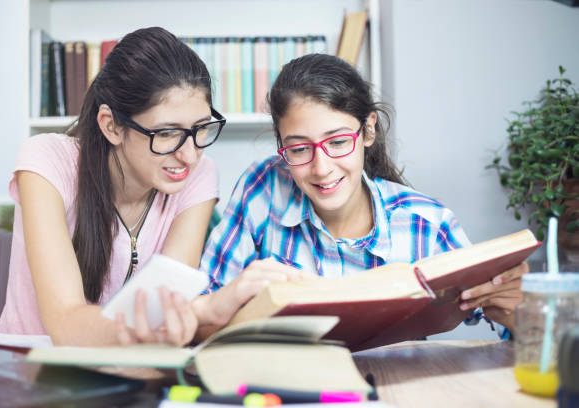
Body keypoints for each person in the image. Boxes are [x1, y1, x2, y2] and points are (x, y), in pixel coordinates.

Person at [200, 53, 528, 336]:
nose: (322, 167)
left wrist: (513, 309)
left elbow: (500, 320)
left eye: (339, 142)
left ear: (368, 129)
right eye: (299, 148)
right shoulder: (263, 187)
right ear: (279, 141)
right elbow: (203, 313)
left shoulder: (427, 224)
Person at [0, 27, 228, 346]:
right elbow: (65, 322)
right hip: (29, 373)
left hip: (128, 373)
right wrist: (203, 310)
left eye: (200, 129)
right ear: (111, 126)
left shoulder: (199, 175)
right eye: (165, 133)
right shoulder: (46, 162)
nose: (189, 154)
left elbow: (165, 308)